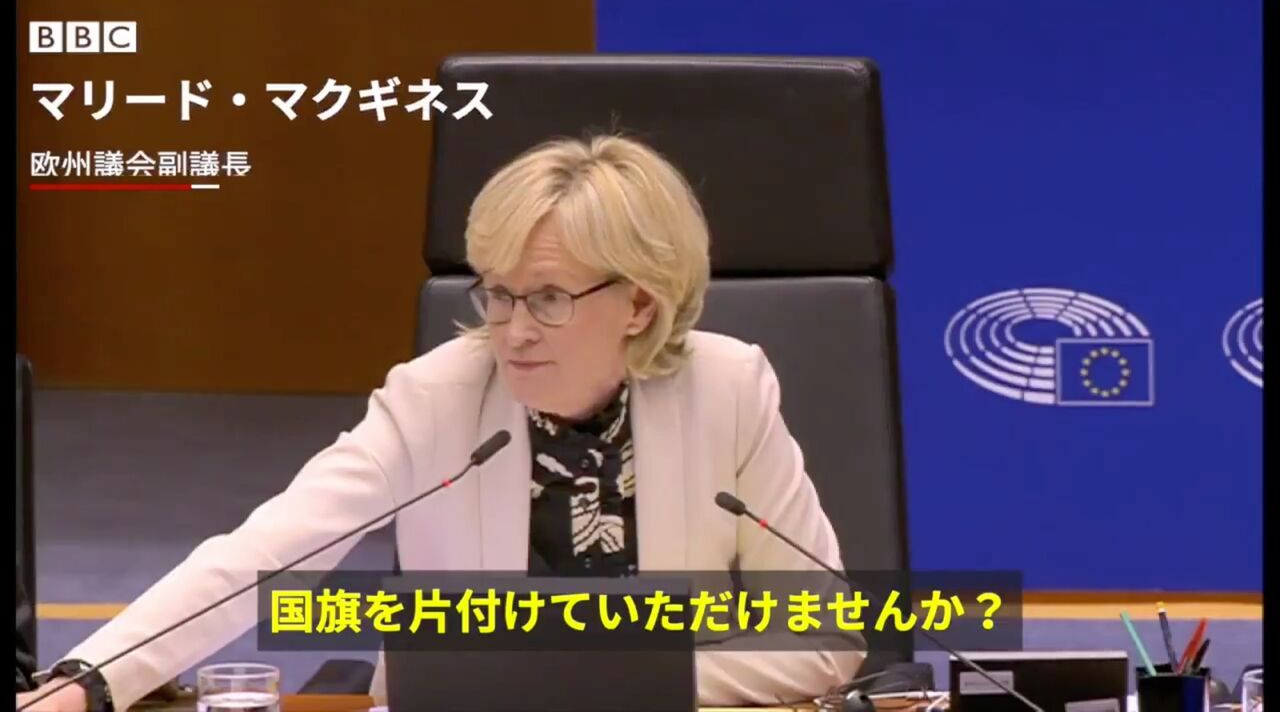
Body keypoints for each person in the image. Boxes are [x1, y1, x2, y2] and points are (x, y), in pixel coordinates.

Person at [17, 134, 865, 711]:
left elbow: (825, 636)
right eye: (497, 292)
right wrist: (90, 678)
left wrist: (613, 685)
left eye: (548, 298)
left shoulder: (728, 388)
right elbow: (263, 554)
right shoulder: (437, 399)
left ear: (639, 304)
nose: (513, 330)